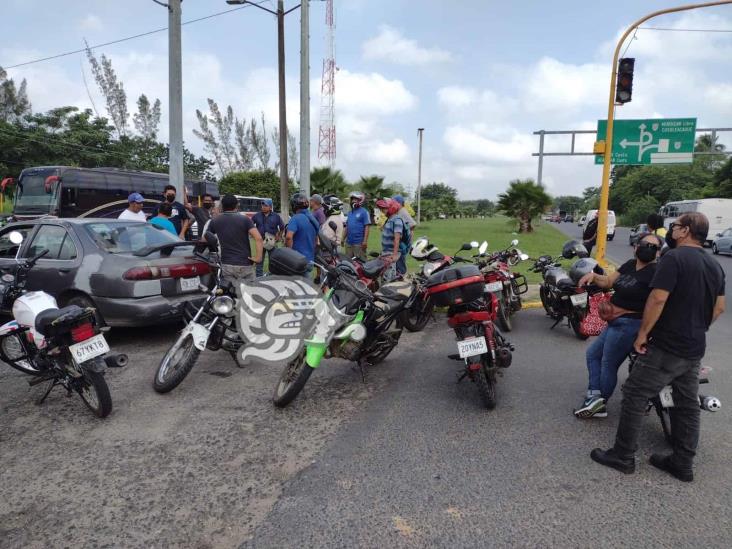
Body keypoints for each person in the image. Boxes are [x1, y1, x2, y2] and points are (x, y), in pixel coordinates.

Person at [591, 212, 725, 482]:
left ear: (685, 231)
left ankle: (623, 455)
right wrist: (697, 327)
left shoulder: (673, 259)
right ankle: (682, 462)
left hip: (667, 344)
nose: (672, 230)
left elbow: (657, 299)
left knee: (634, 393)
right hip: (694, 346)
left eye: (675, 226)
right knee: (687, 404)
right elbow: (719, 307)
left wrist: (642, 334)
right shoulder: (713, 265)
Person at [573, 233, 663, 419]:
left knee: (608, 363)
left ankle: (600, 402)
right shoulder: (630, 265)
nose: (648, 248)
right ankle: (595, 395)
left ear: (658, 253)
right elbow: (608, 282)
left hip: (630, 323)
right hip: (615, 321)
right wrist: (593, 275)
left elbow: (658, 302)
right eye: (644, 244)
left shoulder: (656, 272)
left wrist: (644, 332)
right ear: (636, 246)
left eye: (653, 246)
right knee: (593, 355)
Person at [204, 194, 263, 283]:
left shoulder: (215, 220)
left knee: (230, 293)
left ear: (222, 206)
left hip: (227, 265)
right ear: (236, 205)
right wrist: (258, 258)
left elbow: (205, 238)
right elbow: (258, 238)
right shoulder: (245, 219)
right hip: (245, 264)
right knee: (249, 294)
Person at [252, 198, 285, 277]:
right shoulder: (256, 216)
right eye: (262, 205)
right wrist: (254, 235)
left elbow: (282, 227)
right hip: (260, 242)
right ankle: (259, 278)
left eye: (265, 205)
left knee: (273, 261)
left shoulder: (276, 216)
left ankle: (271, 277)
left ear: (270, 207)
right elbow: (250, 226)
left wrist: (279, 236)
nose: (263, 207)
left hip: (271, 242)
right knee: (259, 261)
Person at [286, 193, 319, 272]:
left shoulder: (295, 218)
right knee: (305, 282)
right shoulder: (313, 219)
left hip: (297, 260)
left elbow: (288, 237)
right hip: (310, 260)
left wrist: (288, 253)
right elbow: (316, 240)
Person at [376, 198, 404, 276]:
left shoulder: (397, 220)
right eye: (381, 208)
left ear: (392, 207)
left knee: (390, 277)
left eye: (384, 208)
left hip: (391, 253)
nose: (382, 210)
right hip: (386, 252)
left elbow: (397, 238)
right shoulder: (389, 219)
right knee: (384, 275)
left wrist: (394, 255)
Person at [343, 191, 370, 261]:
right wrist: (343, 238)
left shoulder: (364, 212)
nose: (353, 201)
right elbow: (347, 227)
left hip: (359, 243)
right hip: (349, 243)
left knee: (361, 262)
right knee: (348, 262)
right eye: (352, 199)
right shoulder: (350, 213)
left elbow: (367, 227)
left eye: (355, 199)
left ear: (360, 200)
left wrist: (365, 241)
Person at [392, 195, 415, 275]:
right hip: (401, 241)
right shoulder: (398, 211)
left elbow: (412, 225)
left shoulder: (402, 211)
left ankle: (401, 278)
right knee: (398, 262)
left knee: (400, 261)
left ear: (399, 203)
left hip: (403, 243)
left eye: (394, 202)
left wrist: (405, 233)